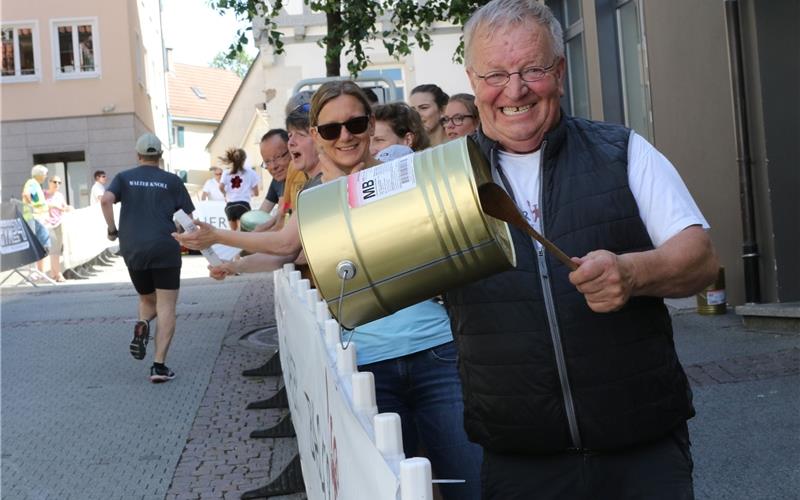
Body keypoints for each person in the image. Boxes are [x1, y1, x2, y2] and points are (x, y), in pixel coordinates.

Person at [444, 1, 719, 498]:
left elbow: (701, 259)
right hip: (520, 460)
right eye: (496, 74)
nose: (515, 89)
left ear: (561, 71)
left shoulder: (623, 151)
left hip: (642, 450)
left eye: (533, 68)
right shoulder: (441, 183)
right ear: (471, 78)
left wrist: (634, 273)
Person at [174, 81, 482, 499]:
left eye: (355, 123)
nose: (345, 136)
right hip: (367, 366)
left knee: (469, 483)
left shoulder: (400, 171)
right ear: (318, 134)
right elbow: (288, 248)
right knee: (398, 491)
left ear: (371, 124)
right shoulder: (316, 197)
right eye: (332, 129)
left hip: (437, 353)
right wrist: (229, 257)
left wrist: (222, 239)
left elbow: (285, 244)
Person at [101, 133, 195, 383]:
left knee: (146, 299)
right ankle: (158, 366)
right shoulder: (172, 181)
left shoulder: (124, 178)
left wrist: (112, 229)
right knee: (166, 306)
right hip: (165, 245)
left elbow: (105, 200)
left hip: (133, 247)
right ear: (160, 156)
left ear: (138, 155)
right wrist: (183, 235)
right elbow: (188, 217)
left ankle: (142, 322)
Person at [20, 164, 52, 276]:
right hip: (34, 217)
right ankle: (33, 272)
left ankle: (37, 272)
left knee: (38, 243)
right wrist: (33, 205)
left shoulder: (34, 183)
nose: (46, 176)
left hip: (34, 216)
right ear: (40, 174)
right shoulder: (32, 183)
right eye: (45, 174)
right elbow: (27, 195)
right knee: (37, 243)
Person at [219, 148, 259, 231]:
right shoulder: (251, 172)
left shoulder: (226, 172)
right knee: (243, 234)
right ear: (244, 159)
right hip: (243, 205)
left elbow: (220, 187)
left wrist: (225, 194)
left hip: (230, 206)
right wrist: (250, 194)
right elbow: (256, 193)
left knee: (234, 234)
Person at [44, 175, 72, 282]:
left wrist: (68, 208)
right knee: (53, 250)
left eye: (59, 183)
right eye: (55, 182)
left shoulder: (59, 195)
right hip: (47, 224)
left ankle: (54, 273)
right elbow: (41, 205)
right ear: (49, 182)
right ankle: (57, 273)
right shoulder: (43, 194)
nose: (57, 184)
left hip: (58, 223)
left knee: (56, 250)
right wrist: (56, 206)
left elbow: (64, 206)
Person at [256, 129, 291, 214]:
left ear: (292, 150)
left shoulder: (305, 177)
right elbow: (261, 214)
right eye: (267, 162)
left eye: (278, 157)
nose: (273, 166)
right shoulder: (277, 181)